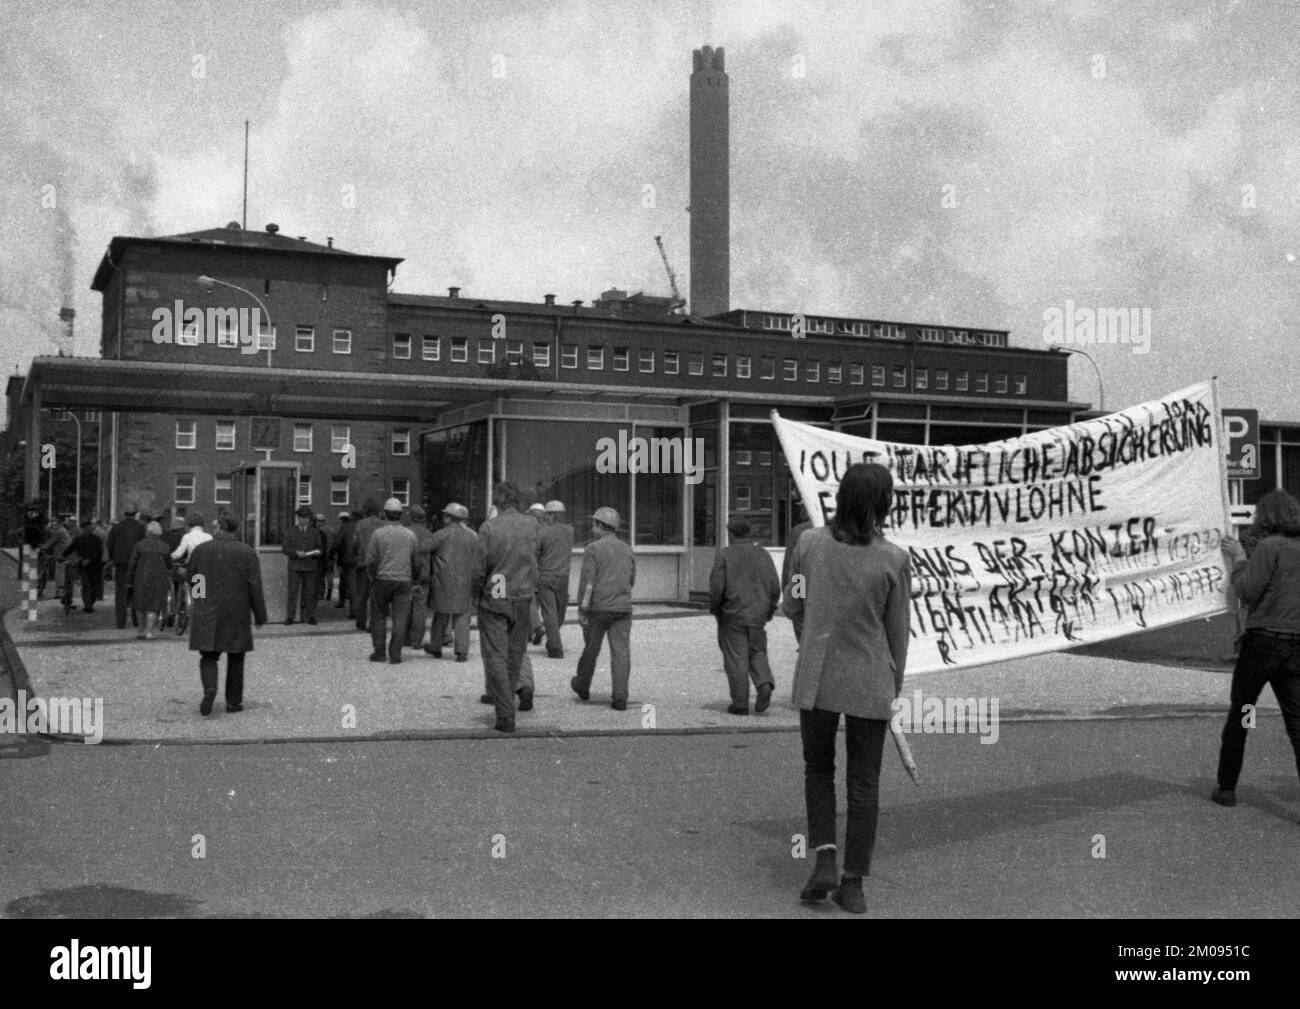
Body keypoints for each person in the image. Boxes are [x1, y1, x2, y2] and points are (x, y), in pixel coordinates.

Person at [783, 462, 911, 915]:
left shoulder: (808, 544)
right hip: (870, 679)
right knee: (864, 783)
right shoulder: (894, 558)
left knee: (817, 770)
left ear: (841, 496)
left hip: (816, 675)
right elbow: (899, 633)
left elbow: (793, 603)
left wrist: (811, 642)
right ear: (882, 503)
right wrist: (892, 687)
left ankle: (824, 860)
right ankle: (853, 883)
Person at [1215, 489, 1300, 809]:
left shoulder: (1269, 547)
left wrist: (1239, 559)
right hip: (1296, 648)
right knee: (1297, 725)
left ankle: (1226, 788)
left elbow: (1248, 591)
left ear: (1266, 517)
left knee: (1242, 714)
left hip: (1262, 646)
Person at [473, 483, 539, 732]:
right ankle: (507, 705)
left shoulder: (489, 527)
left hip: (497, 593)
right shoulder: (532, 525)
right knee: (515, 656)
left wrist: (475, 594)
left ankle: (505, 714)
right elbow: (537, 558)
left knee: (495, 657)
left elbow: (479, 568)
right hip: (522, 595)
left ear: (497, 502)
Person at [188, 515, 268, 716]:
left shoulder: (202, 550)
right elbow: (254, 586)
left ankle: (210, 688)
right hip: (237, 611)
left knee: (208, 654)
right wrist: (259, 616)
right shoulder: (247, 552)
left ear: (219, 529)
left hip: (208, 610)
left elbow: (194, 578)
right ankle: (233, 702)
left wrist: (200, 600)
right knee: (236, 656)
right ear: (236, 530)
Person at [709, 515, 782, 715]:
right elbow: (775, 586)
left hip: (732, 614)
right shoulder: (763, 555)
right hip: (758, 614)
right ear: (749, 532)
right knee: (757, 652)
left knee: (736, 658)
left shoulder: (725, 555)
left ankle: (740, 704)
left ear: (730, 533)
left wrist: (716, 608)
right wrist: (769, 609)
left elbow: (717, 587)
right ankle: (764, 683)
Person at [570, 506, 635, 711]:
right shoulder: (627, 549)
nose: (592, 528)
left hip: (599, 608)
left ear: (600, 526)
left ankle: (582, 685)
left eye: (594, 524)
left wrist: (583, 608)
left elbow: (588, 583)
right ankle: (620, 697)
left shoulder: (593, 549)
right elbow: (631, 579)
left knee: (591, 649)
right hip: (622, 607)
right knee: (621, 653)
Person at [365, 497, 423, 664]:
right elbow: (417, 561)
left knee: (379, 617)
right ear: (401, 515)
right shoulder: (410, 535)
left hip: (382, 579)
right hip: (403, 581)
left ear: (384, 514)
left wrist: (373, 577)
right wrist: (415, 579)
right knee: (400, 618)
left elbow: (371, 560)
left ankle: (380, 652)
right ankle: (396, 654)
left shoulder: (378, 534)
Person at [426, 503, 476, 661]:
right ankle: (461, 652)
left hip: (443, 582)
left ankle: (435, 647)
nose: (443, 518)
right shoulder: (472, 535)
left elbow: (424, 548)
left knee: (440, 615)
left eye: (445, 515)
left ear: (450, 518)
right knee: (462, 617)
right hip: (465, 582)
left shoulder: (441, 534)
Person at [536, 500, 574, 658]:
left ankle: (555, 647)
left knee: (549, 612)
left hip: (545, 575)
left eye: (547, 514)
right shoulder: (570, 530)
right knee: (559, 611)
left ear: (552, 515)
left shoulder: (542, 532)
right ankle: (553, 638)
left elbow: (535, 552)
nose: (545, 518)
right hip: (563, 576)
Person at [125, 521, 173, 640]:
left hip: (141, 577)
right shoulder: (165, 546)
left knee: (140, 604)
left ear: (148, 532)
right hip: (158, 578)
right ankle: (149, 632)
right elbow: (169, 565)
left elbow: (133, 563)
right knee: (153, 605)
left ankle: (141, 631)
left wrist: (129, 579)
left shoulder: (139, 545)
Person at [282, 504, 323, 625]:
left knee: (310, 593)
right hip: (295, 566)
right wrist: (295, 552)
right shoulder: (290, 531)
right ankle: (290, 616)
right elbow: (285, 548)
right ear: (298, 518)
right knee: (293, 592)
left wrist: (317, 553)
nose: (305, 520)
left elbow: (320, 547)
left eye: (307, 518)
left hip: (310, 566)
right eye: (302, 518)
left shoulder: (315, 532)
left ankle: (310, 616)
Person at [405, 505, 438, 649]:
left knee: (404, 607)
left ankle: (404, 637)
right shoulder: (429, 534)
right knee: (420, 608)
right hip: (424, 575)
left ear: (411, 517)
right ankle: (416, 640)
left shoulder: (406, 532)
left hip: (407, 574)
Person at [107, 506, 145, 628]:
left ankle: (120, 622)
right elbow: (143, 545)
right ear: (135, 514)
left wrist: (112, 558)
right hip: (136, 563)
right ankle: (136, 620)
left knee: (120, 593)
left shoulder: (116, 528)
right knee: (136, 590)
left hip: (120, 563)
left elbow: (109, 544)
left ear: (124, 514)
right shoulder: (140, 528)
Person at [782, 501, 813, 644]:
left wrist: (793, 599)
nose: (800, 510)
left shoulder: (800, 532)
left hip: (805, 598)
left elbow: (794, 573)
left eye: (802, 506)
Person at [352, 499, 383, 631]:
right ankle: (373, 623)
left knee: (361, 595)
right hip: (379, 565)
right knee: (376, 596)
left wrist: (356, 554)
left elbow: (355, 543)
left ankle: (361, 622)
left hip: (362, 563)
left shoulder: (360, 524)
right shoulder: (383, 524)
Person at [68, 519, 106, 613]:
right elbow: (70, 548)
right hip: (83, 566)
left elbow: (99, 552)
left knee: (93, 586)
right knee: (86, 585)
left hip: (94, 566)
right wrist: (62, 556)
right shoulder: (79, 539)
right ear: (82, 529)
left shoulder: (96, 539)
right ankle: (87, 605)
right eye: (84, 528)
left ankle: (90, 603)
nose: (86, 530)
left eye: (88, 528)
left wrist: (90, 559)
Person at [333, 512, 355, 610]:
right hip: (356, 559)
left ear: (341, 520)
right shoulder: (355, 527)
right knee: (353, 584)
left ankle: (343, 603)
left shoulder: (343, 528)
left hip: (345, 560)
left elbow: (337, 544)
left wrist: (330, 556)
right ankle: (352, 607)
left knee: (345, 583)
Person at [315, 513, 334, 602]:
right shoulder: (331, 530)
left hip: (323, 557)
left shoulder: (319, 531)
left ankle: (321, 594)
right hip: (331, 556)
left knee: (320, 576)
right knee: (329, 574)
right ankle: (329, 591)